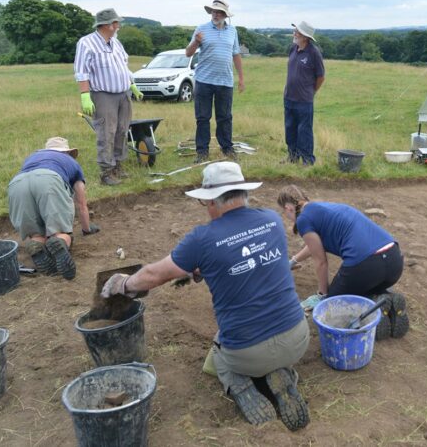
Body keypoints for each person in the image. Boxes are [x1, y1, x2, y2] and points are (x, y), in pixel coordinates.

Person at [100, 162, 309, 430]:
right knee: (271, 341)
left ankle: (240, 386)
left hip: (247, 352)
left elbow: (154, 275)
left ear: (211, 202)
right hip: (297, 337)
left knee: (218, 352)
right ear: (244, 194)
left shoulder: (201, 240)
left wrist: (125, 283)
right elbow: (252, 259)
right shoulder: (272, 220)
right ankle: (283, 374)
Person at [277, 185, 409, 339]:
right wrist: (292, 261)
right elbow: (314, 246)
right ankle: (382, 299)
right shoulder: (325, 208)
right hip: (394, 262)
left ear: (288, 208)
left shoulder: (303, 219)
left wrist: (323, 294)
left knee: (334, 304)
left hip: (367, 266)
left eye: (283, 212)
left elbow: (321, 262)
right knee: (358, 285)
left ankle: (368, 316)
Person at [7, 137, 100, 280]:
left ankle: (36, 244)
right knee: (60, 231)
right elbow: (81, 204)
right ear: (67, 152)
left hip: (17, 184)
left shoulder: (32, 158)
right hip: (49, 179)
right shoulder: (72, 163)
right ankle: (59, 240)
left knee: (37, 233)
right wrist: (86, 229)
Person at [74, 8, 143, 186]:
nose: (119, 25)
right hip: (103, 95)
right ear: (107, 25)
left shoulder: (116, 43)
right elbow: (82, 72)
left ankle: (118, 165)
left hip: (123, 94)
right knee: (107, 132)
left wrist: (132, 85)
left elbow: (124, 66)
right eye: (116, 22)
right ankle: (106, 172)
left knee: (122, 130)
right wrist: (85, 96)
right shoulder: (86, 43)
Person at [185, 0, 245, 162]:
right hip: (204, 81)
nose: (215, 14)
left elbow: (236, 54)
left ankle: (227, 148)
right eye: (213, 11)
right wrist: (196, 41)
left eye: (219, 12)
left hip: (225, 81)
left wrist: (241, 78)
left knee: (225, 117)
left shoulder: (232, 31)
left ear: (225, 15)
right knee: (203, 118)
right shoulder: (201, 29)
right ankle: (202, 152)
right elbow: (188, 53)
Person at [283, 21, 325, 165]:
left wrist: (311, 92)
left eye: (298, 32)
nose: (294, 33)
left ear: (305, 37)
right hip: (289, 98)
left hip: (304, 100)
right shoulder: (293, 48)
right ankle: (292, 157)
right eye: (295, 30)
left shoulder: (314, 53)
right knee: (290, 129)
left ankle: (307, 160)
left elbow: (321, 77)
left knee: (304, 131)